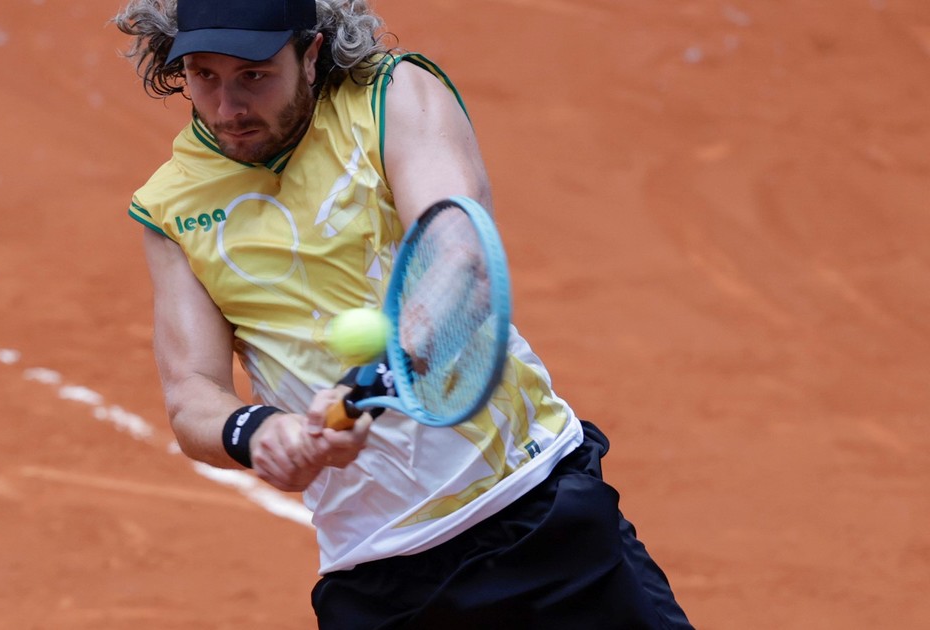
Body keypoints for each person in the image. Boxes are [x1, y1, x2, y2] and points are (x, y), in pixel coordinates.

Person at [114, 0, 694, 627]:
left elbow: (460, 262)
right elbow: (191, 394)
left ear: (310, 54)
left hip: (537, 511)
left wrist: (376, 378)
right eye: (204, 75)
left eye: (254, 75)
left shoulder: (391, 98)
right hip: (377, 575)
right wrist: (258, 432)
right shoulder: (172, 207)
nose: (228, 107)